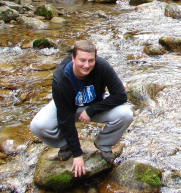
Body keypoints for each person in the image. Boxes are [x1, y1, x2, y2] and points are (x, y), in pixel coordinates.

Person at [30, 40, 133, 177]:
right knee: (38, 126)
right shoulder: (60, 78)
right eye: (82, 60)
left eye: (91, 60)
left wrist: (92, 110)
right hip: (67, 107)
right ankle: (66, 144)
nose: (86, 65)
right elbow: (65, 119)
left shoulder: (102, 66)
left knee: (126, 114)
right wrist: (77, 153)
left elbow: (121, 95)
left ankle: (103, 143)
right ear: (73, 58)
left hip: (93, 107)